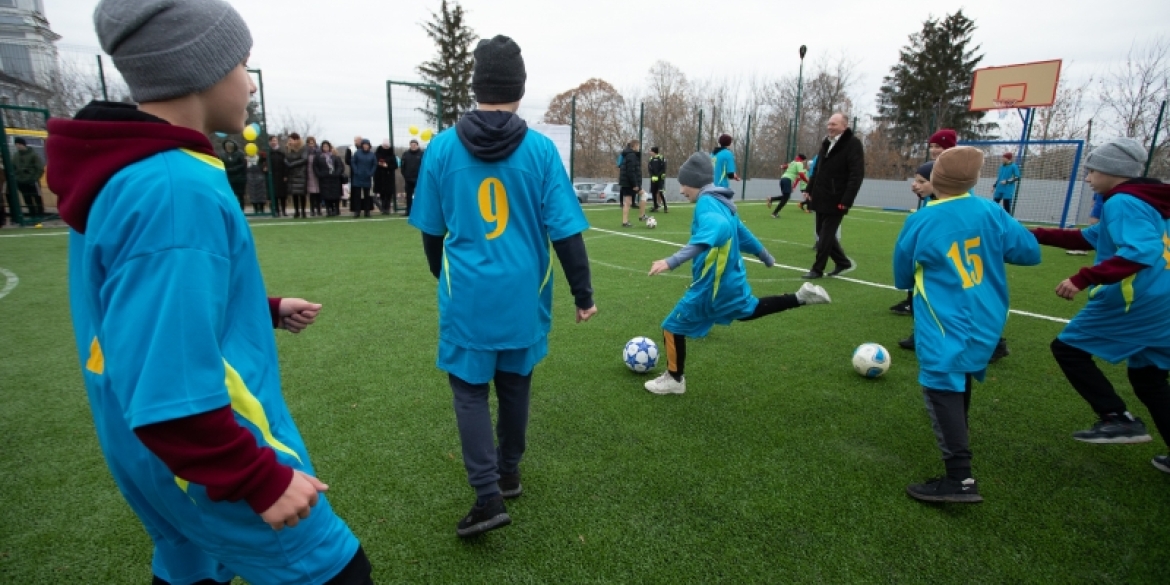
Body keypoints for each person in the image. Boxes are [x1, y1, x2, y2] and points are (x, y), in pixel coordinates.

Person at [45, 0, 373, 582]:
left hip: (147, 451)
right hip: (204, 458)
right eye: (244, 65)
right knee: (334, 569)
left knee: (189, 567)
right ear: (202, 68)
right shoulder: (173, 186)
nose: (249, 83)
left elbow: (135, 309)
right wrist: (255, 476)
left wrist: (261, 309)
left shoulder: (123, 172)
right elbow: (166, 376)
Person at [409, 35, 597, 538]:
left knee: (470, 392)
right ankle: (508, 474)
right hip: (523, 294)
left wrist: (441, 276)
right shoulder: (539, 151)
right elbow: (566, 231)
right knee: (515, 385)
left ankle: (487, 495)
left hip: (468, 293)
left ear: (476, 86)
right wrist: (584, 294)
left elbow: (431, 232)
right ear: (518, 88)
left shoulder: (443, 148)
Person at [893, 147, 1041, 504]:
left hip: (944, 319)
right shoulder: (990, 211)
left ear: (936, 178)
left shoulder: (922, 220)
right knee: (961, 373)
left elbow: (902, 276)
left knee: (940, 381)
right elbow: (1029, 252)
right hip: (988, 314)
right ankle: (959, 434)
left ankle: (959, 478)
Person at [1029, 137, 1170, 474]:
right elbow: (1086, 238)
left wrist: (1084, 278)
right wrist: (1031, 233)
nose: (1088, 178)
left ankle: (1115, 417)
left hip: (1137, 301)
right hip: (1164, 301)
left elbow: (1141, 251)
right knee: (1148, 378)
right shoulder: (1151, 200)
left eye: (1092, 171)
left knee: (1068, 349)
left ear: (1113, 171)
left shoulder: (1122, 202)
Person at [644, 152, 832, 395]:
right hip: (731, 280)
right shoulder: (723, 201)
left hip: (713, 284)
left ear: (696, 182)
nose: (681, 191)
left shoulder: (706, 203)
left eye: (683, 184)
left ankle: (675, 378)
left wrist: (672, 261)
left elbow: (719, 229)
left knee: (671, 326)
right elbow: (741, 233)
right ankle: (801, 297)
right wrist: (764, 255)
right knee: (749, 310)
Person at [802, 113, 863, 279]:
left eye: (834, 124)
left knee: (826, 236)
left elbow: (856, 175)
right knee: (822, 233)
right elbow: (818, 170)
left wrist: (846, 200)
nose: (830, 127)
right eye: (829, 124)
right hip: (821, 196)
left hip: (838, 199)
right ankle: (843, 262)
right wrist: (809, 188)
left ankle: (817, 269)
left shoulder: (853, 144)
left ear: (844, 126)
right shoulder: (826, 143)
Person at [13, 137, 45, 219]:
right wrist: (16, 177)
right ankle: (32, 214)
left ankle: (40, 213)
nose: (17, 146)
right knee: (27, 198)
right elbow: (13, 167)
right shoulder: (15, 156)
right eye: (16, 144)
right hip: (21, 181)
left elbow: (40, 168)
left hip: (32, 180)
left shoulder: (33, 155)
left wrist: (35, 178)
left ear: (23, 144)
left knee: (37, 197)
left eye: (18, 144)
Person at [769, 154, 808, 218]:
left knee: (786, 197)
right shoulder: (799, 164)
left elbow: (785, 166)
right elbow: (801, 175)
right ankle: (774, 213)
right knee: (786, 198)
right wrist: (808, 182)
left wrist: (782, 166)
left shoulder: (793, 162)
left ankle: (772, 199)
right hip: (787, 180)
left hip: (782, 179)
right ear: (803, 160)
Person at [314, 140, 345, 217]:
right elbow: (315, 167)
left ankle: (336, 209)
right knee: (326, 195)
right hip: (324, 179)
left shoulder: (335, 157)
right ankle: (329, 209)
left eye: (327, 146)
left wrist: (336, 173)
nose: (325, 148)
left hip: (335, 179)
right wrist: (320, 174)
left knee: (336, 195)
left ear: (329, 147)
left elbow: (340, 166)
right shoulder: (319, 157)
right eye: (324, 146)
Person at [619, 139, 645, 227]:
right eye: (638, 146)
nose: (639, 148)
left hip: (626, 182)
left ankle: (625, 221)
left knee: (628, 202)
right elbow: (631, 171)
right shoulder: (631, 156)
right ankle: (641, 216)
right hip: (629, 183)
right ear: (634, 146)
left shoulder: (627, 155)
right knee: (641, 196)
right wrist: (635, 184)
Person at [349, 139, 376, 218]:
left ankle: (367, 211)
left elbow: (374, 164)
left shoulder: (372, 154)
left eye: (367, 145)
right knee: (357, 195)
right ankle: (357, 211)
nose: (365, 146)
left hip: (367, 177)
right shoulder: (357, 153)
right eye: (364, 144)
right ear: (362, 145)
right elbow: (353, 162)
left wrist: (371, 173)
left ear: (369, 146)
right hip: (358, 177)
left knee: (367, 196)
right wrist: (356, 171)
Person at [285, 133, 308, 218]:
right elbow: (286, 158)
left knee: (302, 193)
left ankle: (303, 211)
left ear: (296, 140)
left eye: (291, 140)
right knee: (294, 193)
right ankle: (296, 211)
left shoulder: (303, 148)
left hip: (301, 173)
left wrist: (292, 164)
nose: (289, 141)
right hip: (292, 174)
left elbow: (304, 159)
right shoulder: (289, 149)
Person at [399, 138, 424, 216]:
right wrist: (405, 175)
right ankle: (408, 211)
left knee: (420, 196)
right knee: (409, 196)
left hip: (419, 179)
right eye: (411, 145)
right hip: (408, 179)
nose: (413, 146)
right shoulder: (405, 154)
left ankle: (420, 211)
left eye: (414, 145)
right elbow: (402, 167)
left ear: (417, 145)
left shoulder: (422, 154)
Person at [220, 138, 247, 209]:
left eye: (230, 146)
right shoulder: (223, 155)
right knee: (229, 195)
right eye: (227, 146)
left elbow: (243, 165)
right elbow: (221, 164)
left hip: (239, 179)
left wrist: (234, 169)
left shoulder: (240, 154)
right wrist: (227, 170)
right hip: (228, 178)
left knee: (240, 195)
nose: (228, 147)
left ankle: (241, 210)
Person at [374, 139, 398, 215]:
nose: (385, 147)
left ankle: (387, 208)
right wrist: (379, 164)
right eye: (384, 145)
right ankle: (383, 208)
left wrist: (387, 166)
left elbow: (395, 165)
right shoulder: (377, 154)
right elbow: (374, 163)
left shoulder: (392, 155)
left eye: (387, 146)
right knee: (381, 193)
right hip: (379, 176)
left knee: (388, 193)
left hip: (389, 176)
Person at [267, 134, 288, 217]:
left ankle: (284, 210)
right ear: (269, 142)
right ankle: (276, 211)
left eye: (275, 140)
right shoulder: (267, 153)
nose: (273, 142)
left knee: (283, 195)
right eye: (272, 141)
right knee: (274, 195)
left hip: (281, 176)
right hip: (272, 177)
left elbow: (286, 165)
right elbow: (262, 164)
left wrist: (285, 175)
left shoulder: (282, 152)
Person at [306, 136, 323, 217]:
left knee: (318, 193)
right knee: (312, 194)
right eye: (309, 143)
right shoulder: (306, 152)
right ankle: (312, 210)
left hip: (317, 174)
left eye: (312, 143)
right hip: (309, 174)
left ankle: (319, 209)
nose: (311, 144)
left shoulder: (319, 152)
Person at [648, 146, 667, 213]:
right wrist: (652, 176)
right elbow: (649, 168)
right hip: (653, 179)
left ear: (654, 152)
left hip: (660, 179)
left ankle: (665, 207)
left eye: (651, 151)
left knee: (660, 192)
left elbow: (663, 168)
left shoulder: (661, 158)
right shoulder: (651, 159)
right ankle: (655, 207)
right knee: (653, 192)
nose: (650, 152)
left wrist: (658, 176)